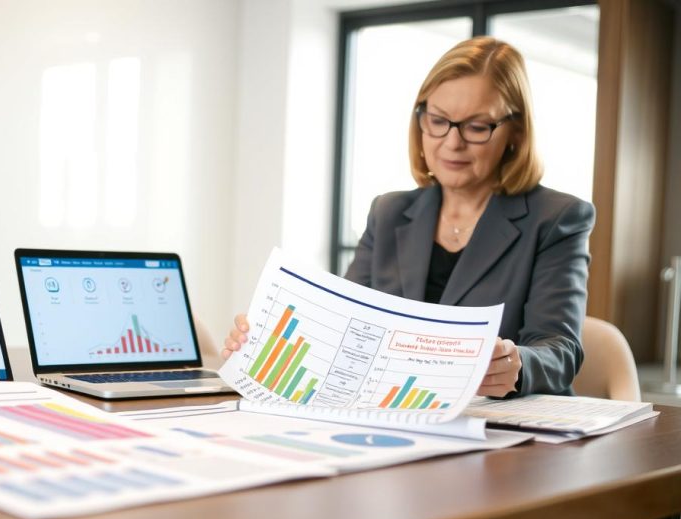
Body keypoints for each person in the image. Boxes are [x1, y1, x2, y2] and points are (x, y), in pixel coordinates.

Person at [223, 36, 595, 400]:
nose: (452, 142)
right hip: (399, 413)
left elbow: (560, 349)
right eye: (438, 120)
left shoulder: (557, 219)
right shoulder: (388, 213)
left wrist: (518, 365)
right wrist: (263, 342)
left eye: (477, 126)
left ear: (515, 131)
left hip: (501, 422)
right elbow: (345, 325)